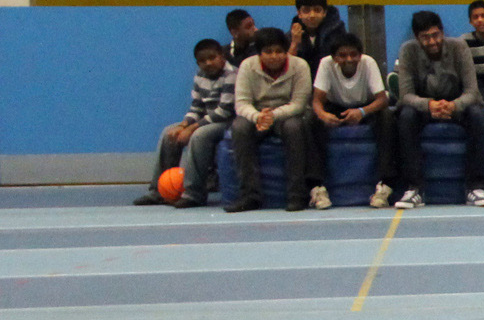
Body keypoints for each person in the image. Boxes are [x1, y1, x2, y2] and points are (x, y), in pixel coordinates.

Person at [394, 9, 484, 210]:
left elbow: (472, 91)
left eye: (435, 35)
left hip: (457, 103)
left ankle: (475, 187)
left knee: (477, 115)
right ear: (416, 37)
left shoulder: (459, 47)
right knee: (405, 116)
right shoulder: (407, 50)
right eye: (425, 38)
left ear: (442, 32)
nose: (432, 42)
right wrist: (429, 105)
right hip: (424, 105)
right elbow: (405, 95)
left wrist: (455, 105)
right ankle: (414, 189)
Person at [136, 38, 235, 208]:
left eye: (212, 58)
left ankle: (194, 193)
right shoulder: (199, 76)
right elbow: (196, 107)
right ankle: (158, 191)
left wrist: (192, 128)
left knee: (199, 135)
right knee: (169, 133)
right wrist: (183, 125)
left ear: (222, 57)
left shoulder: (232, 75)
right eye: (203, 61)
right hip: (208, 121)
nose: (208, 63)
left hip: (228, 122)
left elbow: (224, 111)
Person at [227, 27, 312, 213]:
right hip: (257, 115)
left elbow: (298, 104)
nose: (274, 56)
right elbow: (241, 104)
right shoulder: (247, 67)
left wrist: (273, 115)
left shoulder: (300, 66)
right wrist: (258, 116)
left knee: (294, 127)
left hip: (287, 115)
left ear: (286, 51)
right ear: (259, 54)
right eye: (268, 52)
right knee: (239, 126)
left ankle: (297, 195)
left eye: (279, 51)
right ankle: (249, 196)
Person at [310, 31, 393, 211]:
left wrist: (362, 112)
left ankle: (385, 185)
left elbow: (382, 99)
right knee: (311, 119)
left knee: (387, 117)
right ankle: (317, 187)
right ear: (334, 58)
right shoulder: (325, 64)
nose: (349, 59)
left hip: (365, 107)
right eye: (343, 55)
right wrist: (323, 115)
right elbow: (316, 101)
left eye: (353, 54)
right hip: (335, 106)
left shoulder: (368, 63)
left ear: (360, 55)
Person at [288, 0, 349, 73]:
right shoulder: (292, 32)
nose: (312, 15)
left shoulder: (337, 31)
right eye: (306, 11)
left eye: (317, 10)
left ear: (324, 12)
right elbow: (285, 68)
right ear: (299, 13)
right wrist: (294, 43)